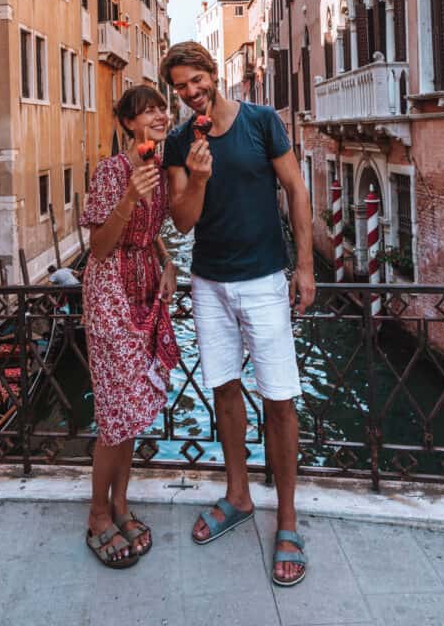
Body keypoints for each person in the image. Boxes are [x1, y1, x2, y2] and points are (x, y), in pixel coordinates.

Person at [160, 41, 315, 587]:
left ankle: (289, 519)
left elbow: (296, 190)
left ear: (210, 73)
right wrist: (198, 178)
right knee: (224, 388)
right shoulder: (179, 142)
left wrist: (305, 267)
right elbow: (181, 222)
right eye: (180, 86)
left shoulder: (261, 122)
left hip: (268, 280)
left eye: (196, 79)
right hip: (209, 283)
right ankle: (239, 496)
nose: (191, 92)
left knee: (279, 397)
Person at [80, 84, 179, 569]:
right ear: (127, 125)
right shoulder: (112, 171)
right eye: (147, 112)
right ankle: (99, 514)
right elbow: (99, 247)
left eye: (162, 108)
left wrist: (169, 264)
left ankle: (121, 504)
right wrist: (127, 196)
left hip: (145, 293)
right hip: (110, 298)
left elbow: (152, 233)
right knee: (115, 413)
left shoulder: (157, 173)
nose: (159, 116)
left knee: (134, 408)